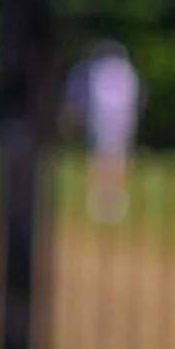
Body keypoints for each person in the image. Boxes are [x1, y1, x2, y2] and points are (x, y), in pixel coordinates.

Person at [68, 38, 143, 219]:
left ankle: (108, 196)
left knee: (106, 157)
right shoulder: (126, 72)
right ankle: (108, 196)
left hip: (106, 121)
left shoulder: (102, 71)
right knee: (112, 157)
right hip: (116, 122)